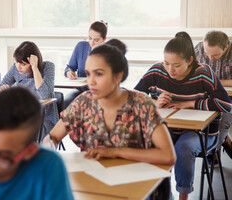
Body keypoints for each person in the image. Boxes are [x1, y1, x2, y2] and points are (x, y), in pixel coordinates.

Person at [135, 32, 232, 200]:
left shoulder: (204, 73)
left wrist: (191, 104)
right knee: (153, 145)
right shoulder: (157, 71)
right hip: (168, 128)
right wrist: (154, 104)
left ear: (189, 61)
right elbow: (131, 100)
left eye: (177, 65)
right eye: (166, 63)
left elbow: (226, 104)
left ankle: (183, 197)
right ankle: (160, 193)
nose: (170, 69)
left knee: (183, 148)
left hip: (201, 133)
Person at [45, 42, 176, 164]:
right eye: (88, 74)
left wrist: (116, 152)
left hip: (135, 184)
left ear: (118, 76)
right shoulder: (83, 102)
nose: (90, 81)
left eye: (98, 74)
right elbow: (53, 137)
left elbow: (168, 155)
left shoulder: (141, 104)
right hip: (93, 182)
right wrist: (46, 153)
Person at [0, 41, 58, 140]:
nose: (18, 66)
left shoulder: (48, 67)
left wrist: (35, 68)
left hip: (43, 120)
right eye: (16, 62)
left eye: (23, 64)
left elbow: (45, 96)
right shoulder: (16, 68)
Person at [195, 30, 232, 158]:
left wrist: (215, 81)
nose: (210, 58)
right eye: (207, 54)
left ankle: (214, 149)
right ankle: (220, 143)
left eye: (215, 55)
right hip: (206, 95)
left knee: (223, 122)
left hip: (229, 98)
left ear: (226, 47)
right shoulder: (199, 48)